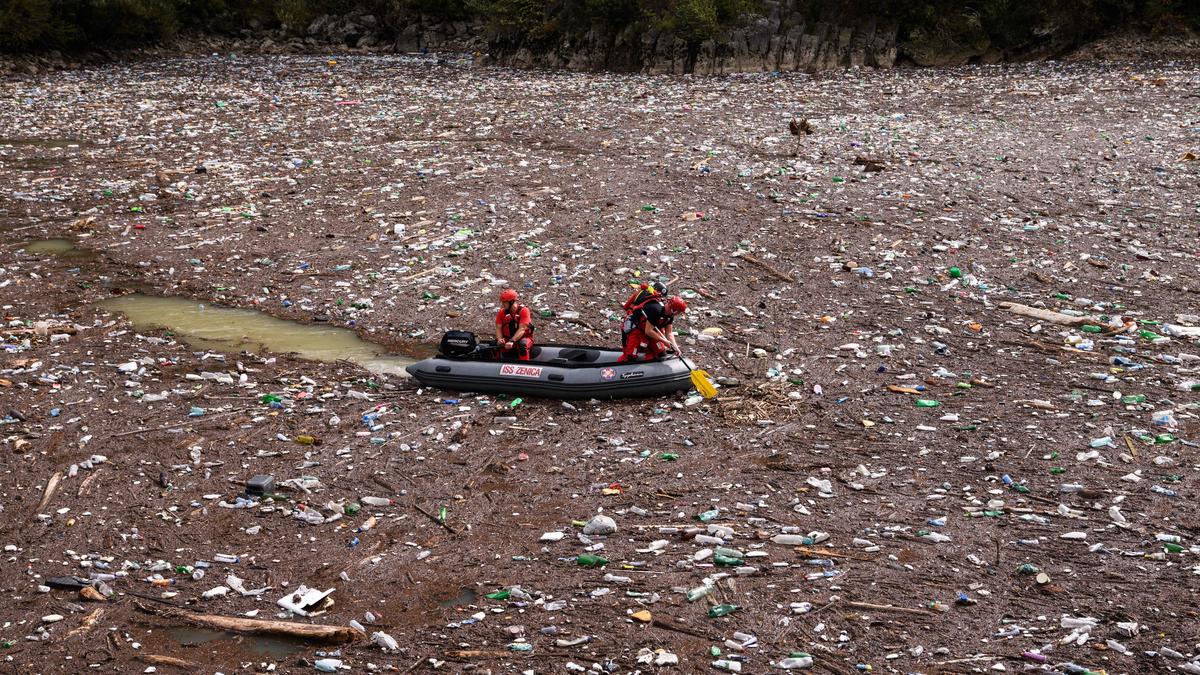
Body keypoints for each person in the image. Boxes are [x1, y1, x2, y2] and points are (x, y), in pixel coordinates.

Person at [618, 295, 687, 362]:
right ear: (674, 310)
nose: (678, 314)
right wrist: (664, 341)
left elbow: (669, 333)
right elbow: (648, 331)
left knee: (661, 353)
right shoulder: (656, 310)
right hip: (637, 330)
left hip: (652, 331)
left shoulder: (670, 316)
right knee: (630, 356)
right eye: (679, 312)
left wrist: (676, 348)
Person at [494, 288, 534, 360]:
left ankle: (524, 366)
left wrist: (512, 341)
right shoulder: (501, 313)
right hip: (508, 339)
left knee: (522, 345)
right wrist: (500, 339)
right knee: (496, 344)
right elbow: (498, 328)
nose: (502, 304)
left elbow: (522, 329)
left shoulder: (524, 311)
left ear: (512, 301)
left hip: (523, 338)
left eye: (504, 302)